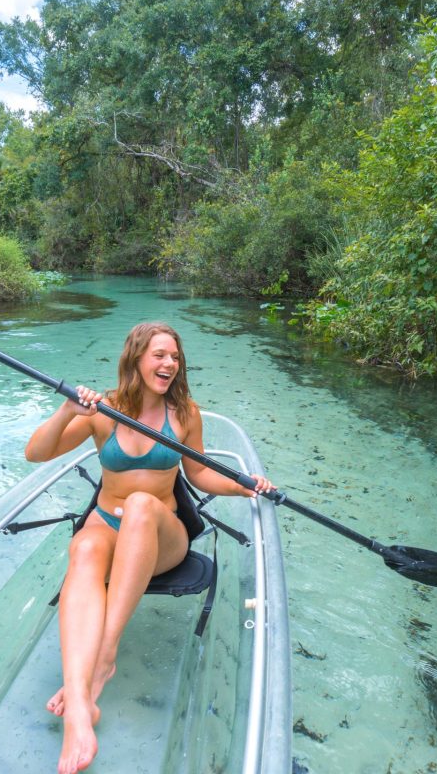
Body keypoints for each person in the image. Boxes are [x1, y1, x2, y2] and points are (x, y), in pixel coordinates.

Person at [24, 322, 274, 774]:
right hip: (105, 523)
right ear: (136, 358)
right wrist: (66, 411)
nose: (169, 364)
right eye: (160, 355)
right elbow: (36, 453)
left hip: (162, 534)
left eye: (175, 357)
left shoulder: (185, 413)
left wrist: (244, 488)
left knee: (139, 504)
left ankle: (104, 655)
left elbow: (198, 474)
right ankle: (81, 706)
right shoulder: (103, 410)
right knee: (82, 551)